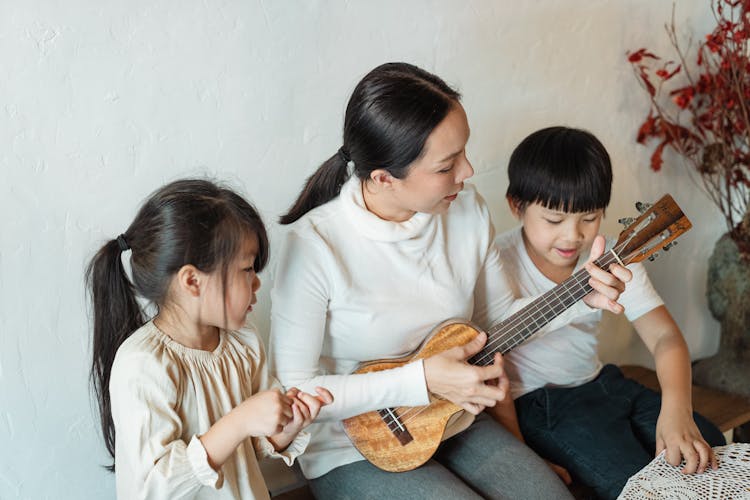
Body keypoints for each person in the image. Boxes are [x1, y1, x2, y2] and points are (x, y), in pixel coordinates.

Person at [269, 63, 631, 499]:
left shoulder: (465, 210)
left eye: (464, 152)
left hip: (454, 420)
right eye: (447, 165)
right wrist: (421, 380)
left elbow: (498, 321)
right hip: (353, 446)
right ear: (384, 178)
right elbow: (299, 390)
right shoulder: (314, 247)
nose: (469, 170)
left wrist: (582, 298)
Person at [496, 126, 726, 499]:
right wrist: (521, 455)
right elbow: (488, 370)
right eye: (554, 220)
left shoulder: (614, 256)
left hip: (603, 382)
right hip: (541, 404)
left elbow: (665, 337)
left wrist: (677, 409)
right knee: (636, 483)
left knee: (707, 447)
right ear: (516, 205)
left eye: (589, 218)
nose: (572, 236)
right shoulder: (496, 262)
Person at [86, 179, 333, 500]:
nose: (257, 283)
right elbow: (152, 488)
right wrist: (239, 422)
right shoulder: (144, 364)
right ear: (192, 281)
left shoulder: (242, 341)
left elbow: (245, 450)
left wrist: (283, 429)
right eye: (247, 269)